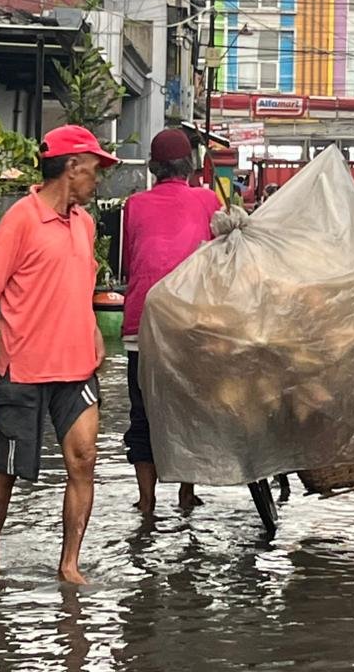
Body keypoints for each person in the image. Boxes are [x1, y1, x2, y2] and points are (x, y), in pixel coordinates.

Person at [0, 124, 117, 584]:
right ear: (71, 167)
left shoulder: (84, 224)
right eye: (93, 169)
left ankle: (69, 564)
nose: (97, 179)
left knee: (84, 458)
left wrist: (93, 332)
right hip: (24, 367)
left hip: (77, 367)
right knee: (7, 468)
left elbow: (79, 286)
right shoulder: (21, 219)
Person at [122, 128, 221, 515]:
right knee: (189, 411)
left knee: (142, 415)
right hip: (190, 326)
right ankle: (186, 493)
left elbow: (131, 263)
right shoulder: (207, 200)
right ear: (190, 166)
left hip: (141, 325)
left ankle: (146, 502)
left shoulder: (134, 204)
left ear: (153, 167)